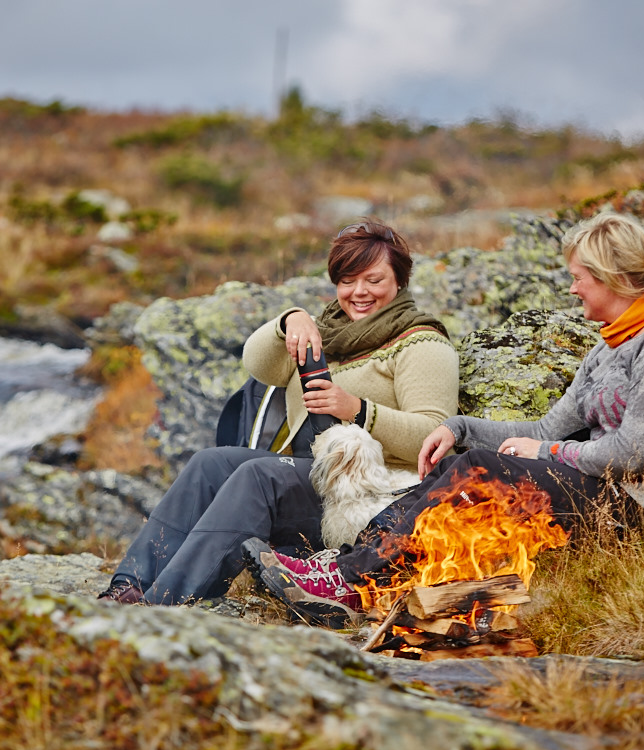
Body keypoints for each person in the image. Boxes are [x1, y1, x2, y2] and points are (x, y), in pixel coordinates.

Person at [245, 211, 644, 627]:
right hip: (602, 487)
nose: (572, 287)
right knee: (469, 459)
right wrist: (458, 427)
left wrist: (548, 454)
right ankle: (344, 570)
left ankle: (346, 582)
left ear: (611, 277)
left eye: (580, 277)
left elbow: (632, 454)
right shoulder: (609, 346)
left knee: (484, 472)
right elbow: (543, 430)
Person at [99, 220, 459, 606]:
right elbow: (260, 365)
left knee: (261, 474)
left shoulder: (422, 344)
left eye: (373, 280)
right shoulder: (326, 335)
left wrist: (357, 410)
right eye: (347, 280)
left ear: (400, 281)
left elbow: (434, 437)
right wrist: (290, 320)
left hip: (373, 493)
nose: (359, 292)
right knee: (210, 463)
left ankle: (165, 600)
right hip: (314, 475)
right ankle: (127, 584)